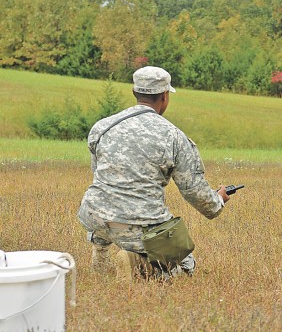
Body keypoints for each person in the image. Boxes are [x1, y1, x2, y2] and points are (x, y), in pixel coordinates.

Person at [77, 66, 230, 281]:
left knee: (106, 200)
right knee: (185, 267)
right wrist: (218, 201)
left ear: (134, 92)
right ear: (165, 96)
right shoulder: (173, 136)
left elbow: (100, 176)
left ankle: (100, 257)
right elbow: (194, 192)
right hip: (139, 225)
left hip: (93, 216)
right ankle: (137, 262)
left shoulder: (102, 127)